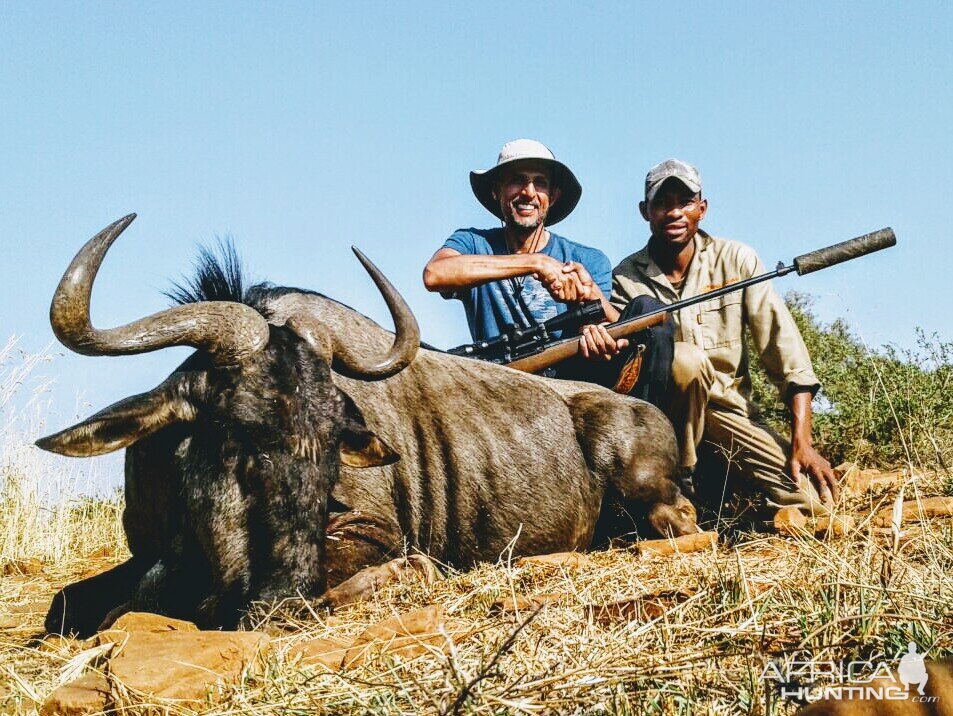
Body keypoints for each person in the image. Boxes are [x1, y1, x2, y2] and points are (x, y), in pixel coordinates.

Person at [602, 159, 839, 516]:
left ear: (702, 208)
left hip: (726, 412)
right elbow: (622, 361)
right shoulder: (625, 277)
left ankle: (713, 491)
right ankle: (680, 483)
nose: (674, 212)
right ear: (645, 212)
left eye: (684, 201)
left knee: (810, 503)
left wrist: (802, 441)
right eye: (662, 203)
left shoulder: (737, 260)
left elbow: (785, 350)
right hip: (662, 421)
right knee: (684, 362)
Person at [423, 139, 623, 361]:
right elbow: (435, 274)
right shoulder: (472, 242)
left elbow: (602, 326)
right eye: (517, 180)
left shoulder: (589, 260)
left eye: (540, 183)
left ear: (553, 196)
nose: (529, 192)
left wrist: (589, 306)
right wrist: (536, 262)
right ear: (496, 191)